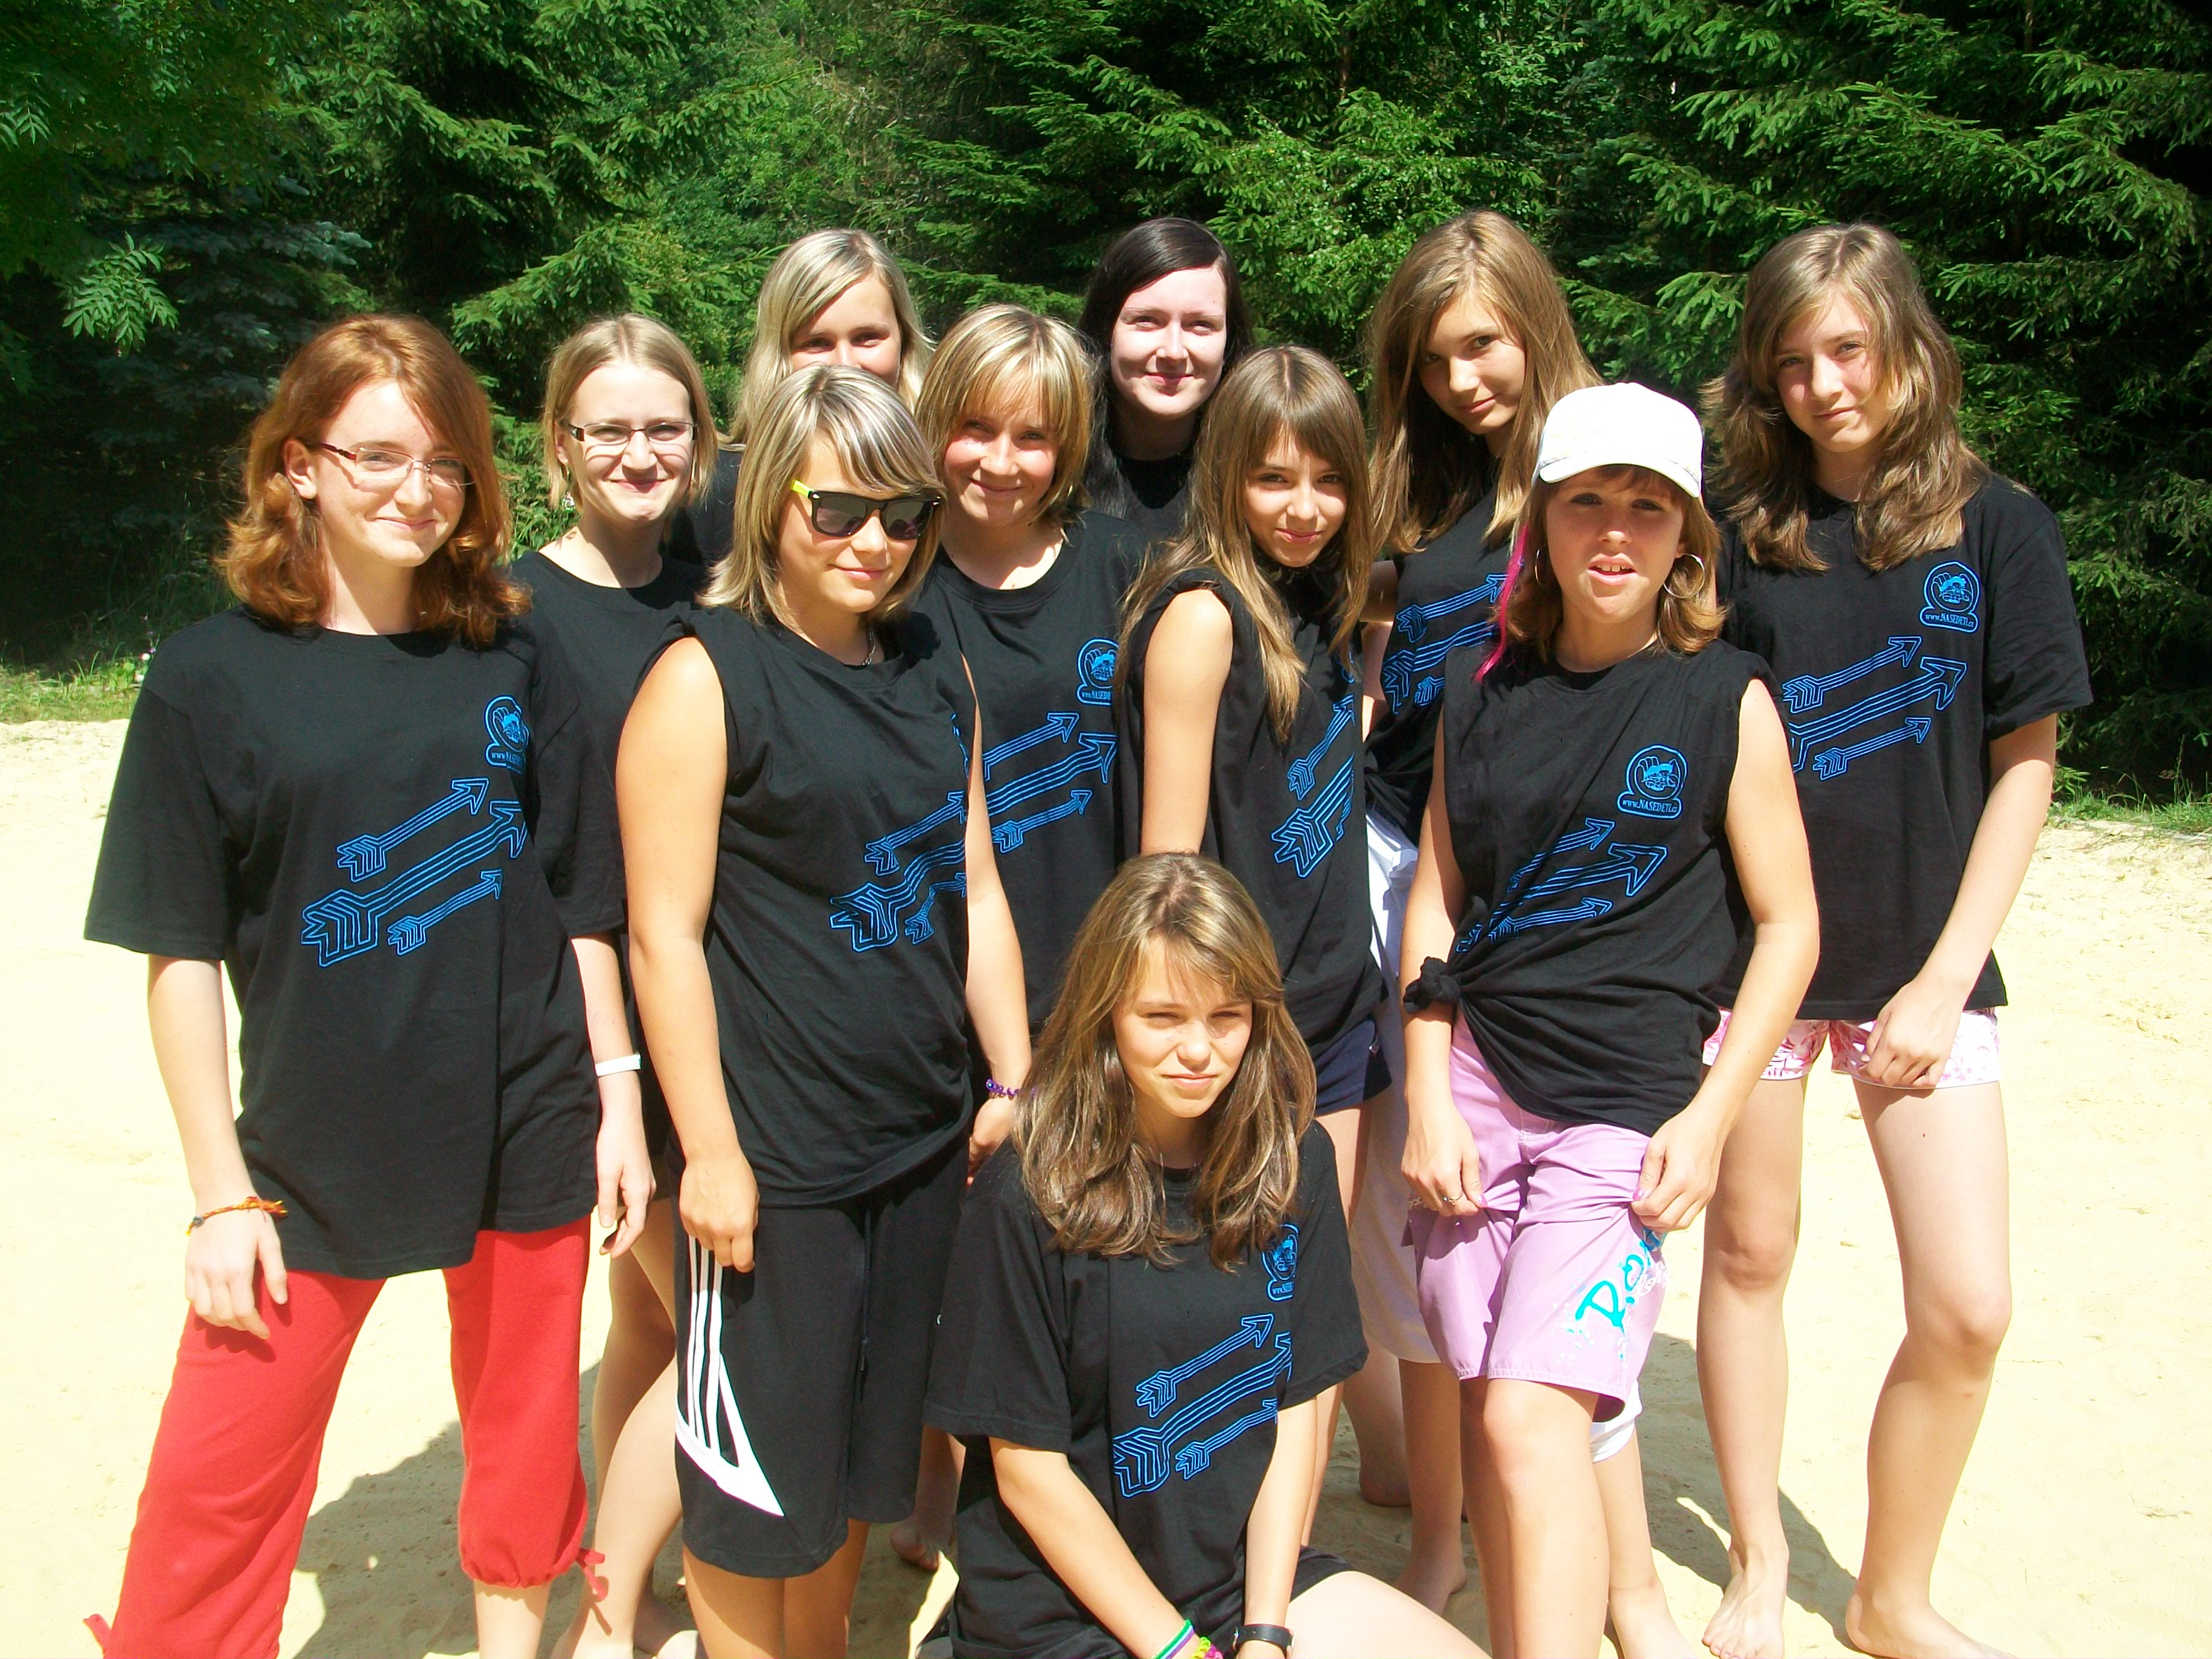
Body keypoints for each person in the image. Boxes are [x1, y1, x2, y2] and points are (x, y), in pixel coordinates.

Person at [82, 313, 653, 1659]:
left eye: (446, 462)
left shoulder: (511, 653)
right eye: (379, 456)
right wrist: (220, 1193)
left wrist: (617, 1100)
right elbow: (178, 950)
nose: (417, 489)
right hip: (311, 1141)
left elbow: (579, 902)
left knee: (522, 1435)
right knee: (221, 1469)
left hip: (522, 1109)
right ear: (299, 464)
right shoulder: (207, 677)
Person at [1701, 223, 2091, 1659]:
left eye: (1847, 350)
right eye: (1791, 360)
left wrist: (1941, 977)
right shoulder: (1739, 535)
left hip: (1923, 967)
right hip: (1759, 960)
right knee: (1750, 1254)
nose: (1822, 385)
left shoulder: (1998, 526)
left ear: (1908, 348)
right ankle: (1755, 1561)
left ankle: (1887, 1594)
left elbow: (2024, 764)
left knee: (1968, 1306)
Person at [1398, 382, 1821, 1659]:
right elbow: (1436, 898)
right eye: (1586, 501)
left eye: (1647, 505)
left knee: (1531, 1417)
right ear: (1542, 521)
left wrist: (1709, 1116)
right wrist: (1425, 1092)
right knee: (1494, 1406)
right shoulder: (1479, 688)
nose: (1615, 531)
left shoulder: (1724, 696)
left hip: (1624, 1112)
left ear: (1687, 531)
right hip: (1476, 1092)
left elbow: (1788, 926)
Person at [618, 365, 1032, 1659]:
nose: (874, 540)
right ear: (772, 505)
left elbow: (972, 879)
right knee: (751, 1499)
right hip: (775, 1164)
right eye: (839, 508)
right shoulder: (703, 675)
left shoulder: (931, 662)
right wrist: (712, 1153)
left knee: (857, 1472)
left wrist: (1013, 1077)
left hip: (916, 1143)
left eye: (903, 514)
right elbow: (661, 936)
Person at [925, 852, 1487, 1659]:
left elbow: (1293, 1407)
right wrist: (1181, 1650)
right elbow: (1028, 1473)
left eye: (1227, 1016)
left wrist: (1264, 1630)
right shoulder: (1027, 1192)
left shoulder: (1294, 1160)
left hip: (1233, 1579)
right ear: (1105, 1013)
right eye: (1162, 1017)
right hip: (1063, 1609)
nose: (1199, 1050)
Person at [1356, 207, 1601, 1617]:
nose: (1462, 381)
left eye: (1485, 345)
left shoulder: (1596, 483)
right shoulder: (1418, 491)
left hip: (1543, 880)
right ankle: (1440, 1536)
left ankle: (1590, 1554)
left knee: (1556, 1196)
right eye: (1434, 358)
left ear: (1535, 325)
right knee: (1428, 1205)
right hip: (1402, 855)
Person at [1115, 344, 1395, 1515]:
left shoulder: (1318, 606)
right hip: (1238, 1022)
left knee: (1306, 1297)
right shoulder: (1202, 618)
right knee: (1231, 1299)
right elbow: (1168, 867)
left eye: (1327, 480)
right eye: (1273, 478)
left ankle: (1284, 1540)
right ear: (1226, 473)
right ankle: (1211, 1539)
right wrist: (1195, 1029)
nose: (1303, 507)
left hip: (1332, 1004)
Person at [895, 302, 1151, 1571]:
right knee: (951, 1255)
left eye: (1032, 436)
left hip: (1094, 963)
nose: (999, 460)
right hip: (942, 974)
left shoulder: (1119, 566)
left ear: (1069, 447)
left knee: (1088, 1251)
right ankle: (936, 1490)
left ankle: (1075, 1493)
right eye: (974, 428)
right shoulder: (891, 574)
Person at [518, 313, 715, 1659]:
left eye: (664, 427)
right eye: (609, 430)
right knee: (717, 1317)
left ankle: (623, 1571)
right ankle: (611, 1603)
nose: (638, 453)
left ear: (699, 440)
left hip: (710, 985)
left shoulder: (723, 580)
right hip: (597, 1014)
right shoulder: (514, 613)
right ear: (559, 446)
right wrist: (610, 1080)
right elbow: (543, 862)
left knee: (648, 1309)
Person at [671, 228, 933, 569]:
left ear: (905, 343)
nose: (845, 364)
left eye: (868, 338)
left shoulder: (937, 485)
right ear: (778, 356)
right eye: (816, 343)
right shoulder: (716, 496)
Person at [1079, 217, 1255, 542]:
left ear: (1229, 341)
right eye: (1147, 321)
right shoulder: (1046, 473)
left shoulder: (1263, 479)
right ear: (1106, 330)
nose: (1173, 352)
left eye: (1200, 325)